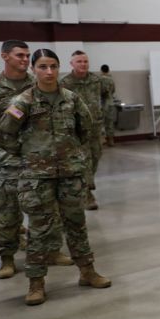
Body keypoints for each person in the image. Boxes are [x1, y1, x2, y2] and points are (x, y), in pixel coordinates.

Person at [0, 49, 111, 305]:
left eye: (53, 66)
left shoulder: (72, 99)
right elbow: (5, 136)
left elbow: (86, 129)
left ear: (59, 68)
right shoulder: (22, 102)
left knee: (76, 224)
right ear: (34, 70)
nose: (49, 72)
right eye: (43, 67)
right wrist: (31, 157)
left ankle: (87, 271)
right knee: (39, 230)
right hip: (37, 178)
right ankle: (36, 283)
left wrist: (69, 154)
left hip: (70, 174)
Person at [0, 40, 73, 279]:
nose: (25, 60)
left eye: (27, 56)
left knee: (49, 210)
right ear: (5, 56)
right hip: (8, 162)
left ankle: (53, 251)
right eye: (20, 55)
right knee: (8, 212)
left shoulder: (37, 83)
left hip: (41, 160)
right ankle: (7, 258)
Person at [59, 51, 109, 208]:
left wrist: (104, 112)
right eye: (79, 61)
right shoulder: (65, 83)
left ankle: (87, 185)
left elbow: (106, 96)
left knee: (95, 157)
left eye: (85, 61)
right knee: (83, 161)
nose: (83, 64)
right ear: (71, 64)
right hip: (77, 130)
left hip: (96, 127)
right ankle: (87, 194)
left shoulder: (97, 80)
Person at [98, 64, 118, 146]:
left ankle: (101, 140)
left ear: (101, 70)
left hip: (101, 103)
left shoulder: (98, 79)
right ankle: (111, 140)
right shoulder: (111, 80)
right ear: (108, 70)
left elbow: (97, 91)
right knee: (110, 122)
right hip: (110, 103)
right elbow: (113, 90)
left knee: (100, 122)